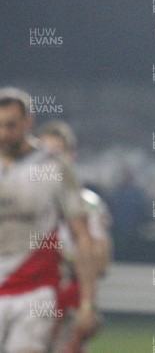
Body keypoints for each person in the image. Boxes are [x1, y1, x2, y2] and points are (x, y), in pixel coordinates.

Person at [0, 88, 97, 352]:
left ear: (28, 122)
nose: (3, 134)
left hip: (35, 293)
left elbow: (82, 236)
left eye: (10, 126)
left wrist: (87, 303)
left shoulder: (53, 166)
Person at [37, 120, 113, 353]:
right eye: (45, 154)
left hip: (68, 296)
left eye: (58, 154)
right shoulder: (22, 200)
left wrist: (88, 305)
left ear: (70, 158)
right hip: (26, 294)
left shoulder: (88, 204)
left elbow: (101, 264)